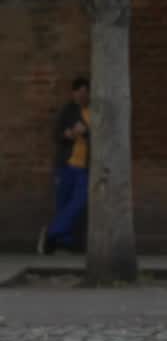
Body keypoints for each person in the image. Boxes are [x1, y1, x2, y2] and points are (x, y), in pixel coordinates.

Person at [39, 76, 91, 254]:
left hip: (85, 167)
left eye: (86, 93)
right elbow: (56, 135)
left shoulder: (93, 112)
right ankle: (61, 242)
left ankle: (51, 233)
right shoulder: (67, 111)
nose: (83, 96)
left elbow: (99, 136)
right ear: (74, 93)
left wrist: (86, 132)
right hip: (66, 164)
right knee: (63, 204)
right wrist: (67, 134)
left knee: (80, 201)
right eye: (80, 92)